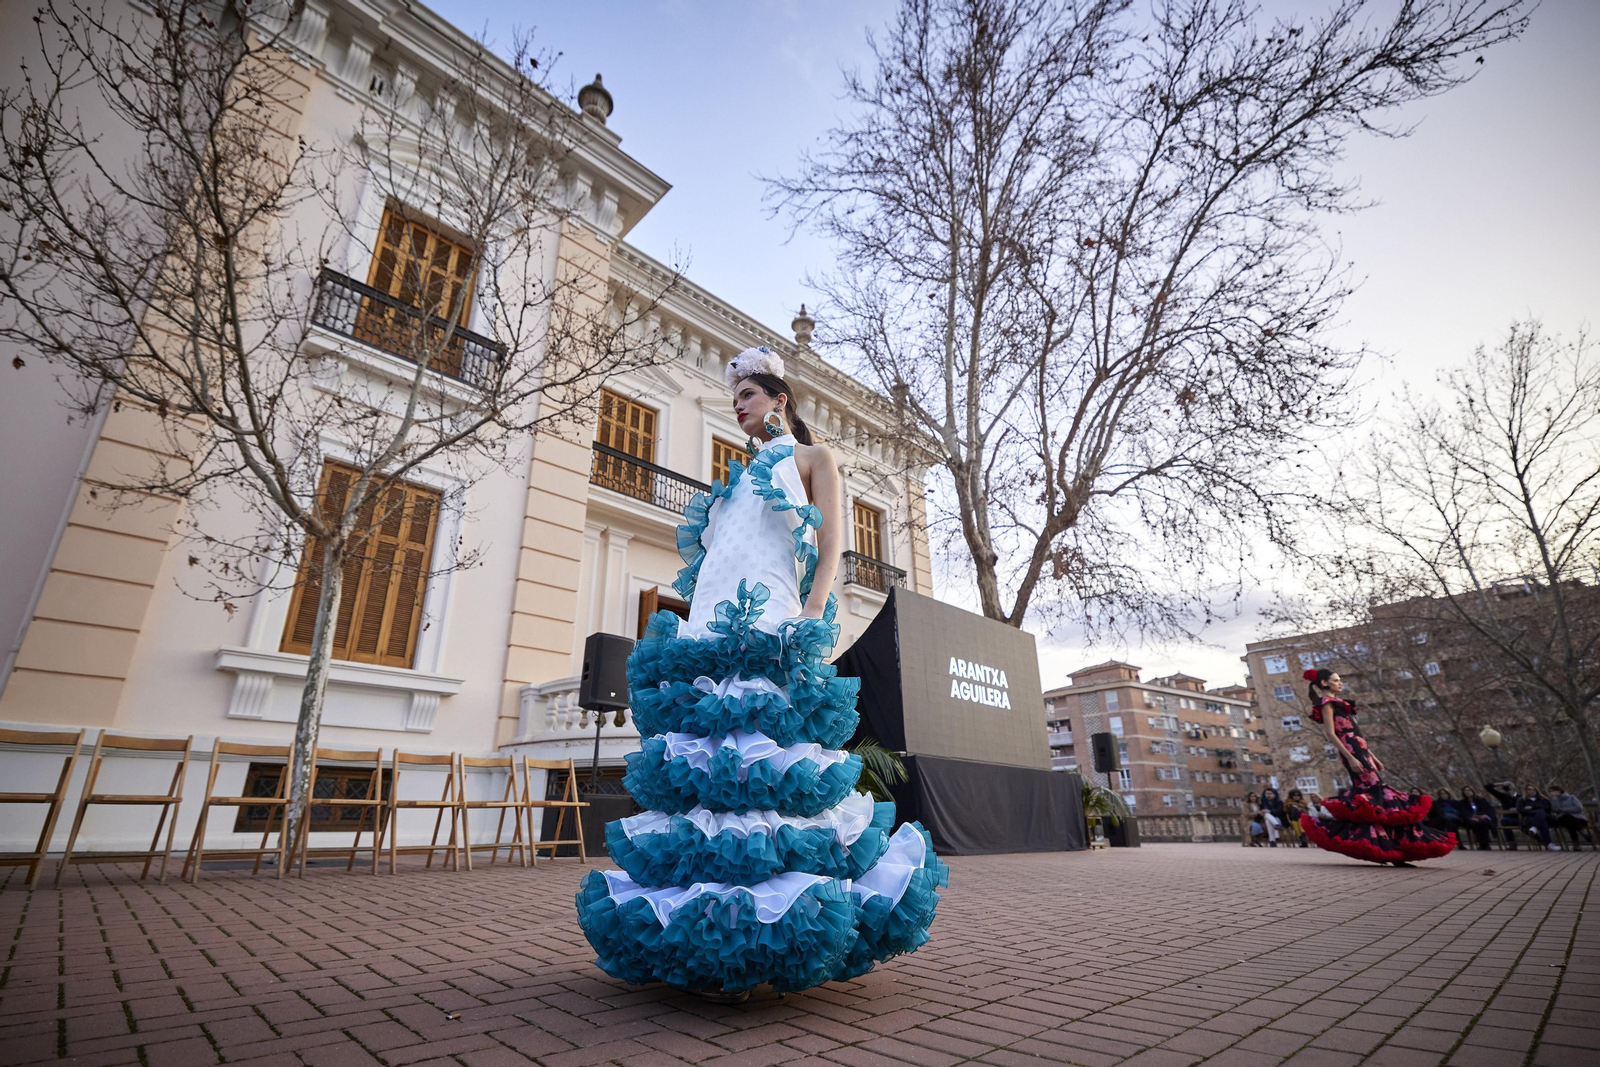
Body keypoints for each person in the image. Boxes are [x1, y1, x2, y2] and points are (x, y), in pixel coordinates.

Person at [575, 346, 948, 996]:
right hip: (710, 629)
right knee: (711, 772)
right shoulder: (735, 479)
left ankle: (775, 929)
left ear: (779, 397)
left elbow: (831, 544)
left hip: (770, 619)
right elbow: (718, 559)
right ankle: (716, 932)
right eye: (735, 396)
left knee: (764, 762)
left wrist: (812, 610)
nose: (738, 404)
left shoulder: (811, 458)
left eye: (747, 393)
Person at [1297, 669, 1455, 866]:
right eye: (1336, 680)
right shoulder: (1326, 703)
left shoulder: (1341, 704)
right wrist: (1351, 758)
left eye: (1340, 679)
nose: (1340, 683)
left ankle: (1391, 848)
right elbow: (1331, 734)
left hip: (1361, 751)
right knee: (1374, 796)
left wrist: (1373, 757)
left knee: (1377, 798)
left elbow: (1357, 735)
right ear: (1324, 683)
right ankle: (1385, 848)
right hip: (1352, 752)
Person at [1486, 780, 1555, 850]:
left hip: (1523, 817)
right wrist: (1501, 784)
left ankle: (1540, 839)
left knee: (1528, 823)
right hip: (1510, 818)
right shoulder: (1503, 796)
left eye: (1510, 787)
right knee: (1504, 821)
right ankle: (1512, 843)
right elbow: (1487, 787)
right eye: (1508, 787)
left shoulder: (1521, 797)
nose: (1509, 789)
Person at [1457, 786, 1496, 851]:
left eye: (1469, 790)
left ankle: (1486, 843)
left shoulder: (1481, 800)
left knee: (1483, 823)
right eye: (1465, 791)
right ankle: (1481, 843)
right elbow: (1463, 812)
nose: (1468, 792)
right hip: (1470, 820)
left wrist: (1485, 816)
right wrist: (1471, 817)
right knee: (1475, 823)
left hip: (1483, 818)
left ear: (1473, 791)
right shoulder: (1462, 802)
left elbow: (1489, 809)